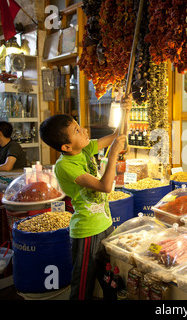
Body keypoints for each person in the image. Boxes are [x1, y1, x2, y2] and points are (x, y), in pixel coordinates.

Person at [39, 114, 127, 300]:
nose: (84, 130)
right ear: (67, 147)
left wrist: (124, 109)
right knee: (83, 283)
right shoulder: (64, 166)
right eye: (77, 130)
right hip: (87, 231)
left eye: (80, 126)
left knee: (108, 276)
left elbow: (117, 135)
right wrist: (112, 155)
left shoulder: (85, 150)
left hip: (105, 224)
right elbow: (105, 186)